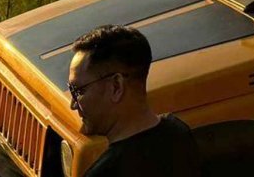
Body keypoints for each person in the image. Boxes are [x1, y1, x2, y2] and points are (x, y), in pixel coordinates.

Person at [68, 25, 199, 177]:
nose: (73, 104)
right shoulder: (179, 134)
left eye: (78, 91)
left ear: (116, 86)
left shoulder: (105, 173)